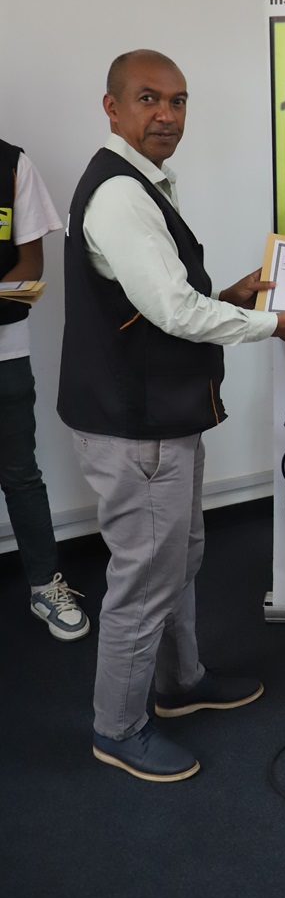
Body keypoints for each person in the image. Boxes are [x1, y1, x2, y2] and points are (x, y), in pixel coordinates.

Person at [58, 49, 285, 783]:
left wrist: (235, 296)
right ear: (112, 107)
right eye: (148, 99)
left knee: (178, 559)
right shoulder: (119, 193)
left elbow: (159, 298)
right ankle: (118, 729)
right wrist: (276, 323)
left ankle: (179, 684)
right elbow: (174, 312)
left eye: (178, 101)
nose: (167, 115)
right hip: (135, 426)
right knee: (146, 578)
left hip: (160, 417)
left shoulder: (144, 182)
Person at [0, 139, 90, 640]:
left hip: (5, 355)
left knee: (20, 476)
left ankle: (44, 586)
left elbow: (30, 266)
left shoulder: (11, 164)